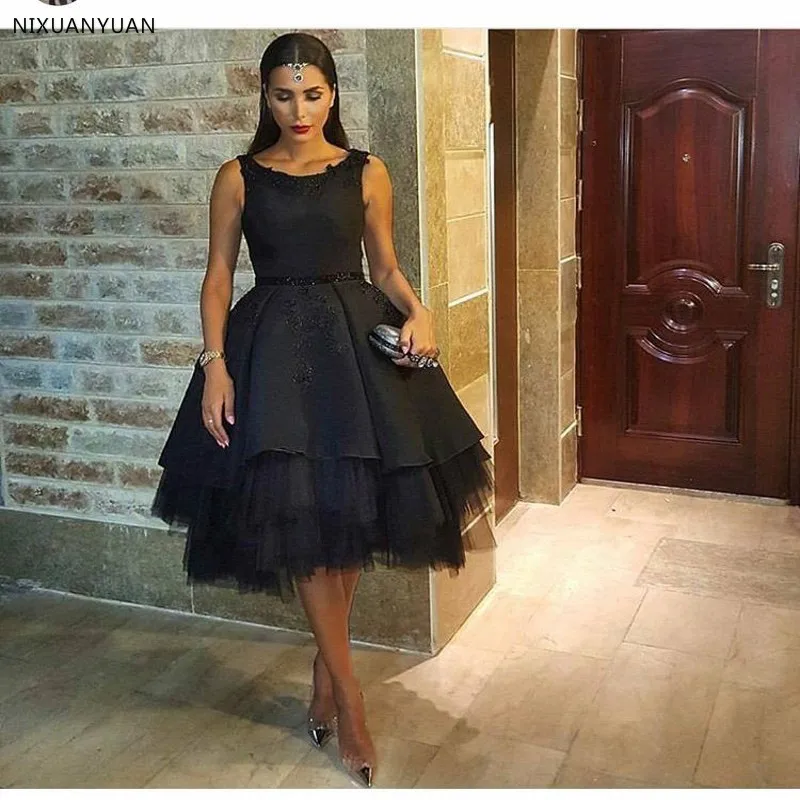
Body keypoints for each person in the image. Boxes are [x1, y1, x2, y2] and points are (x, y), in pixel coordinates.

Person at [151, 31, 495, 788]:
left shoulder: (368, 170)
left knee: (345, 521)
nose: (298, 109)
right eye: (283, 95)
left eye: (311, 94)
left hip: (354, 352)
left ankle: (324, 670)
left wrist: (420, 310)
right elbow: (217, 276)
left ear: (332, 93)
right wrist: (214, 365)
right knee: (305, 524)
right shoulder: (239, 176)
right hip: (270, 355)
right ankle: (351, 698)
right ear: (265, 97)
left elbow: (386, 266)